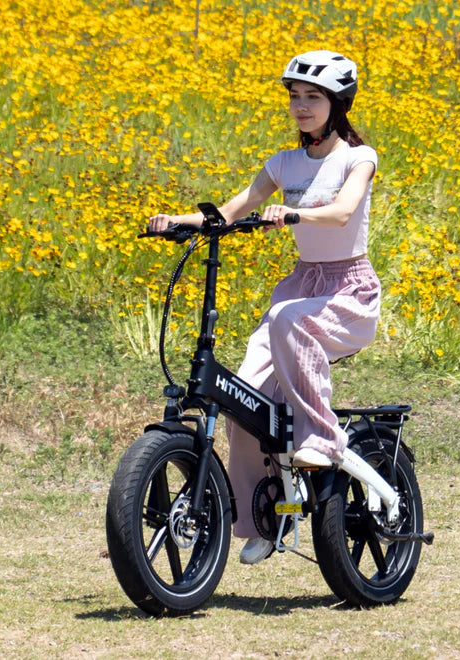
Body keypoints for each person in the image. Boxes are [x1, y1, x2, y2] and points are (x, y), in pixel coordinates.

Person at [147, 50, 381, 565]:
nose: (301, 107)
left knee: (285, 318)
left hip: (348, 292)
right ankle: (263, 517)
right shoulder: (283, 163)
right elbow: (230, 212)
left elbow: (343, 212)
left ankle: (323, 437)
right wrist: (178, 220)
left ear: (337, 103)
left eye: (313, 98)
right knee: (241, 399)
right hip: (300, 287)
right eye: (295, 97)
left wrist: (293, 212)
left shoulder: (357, 158)